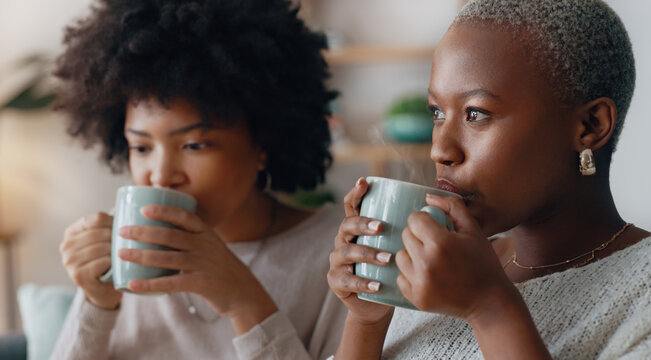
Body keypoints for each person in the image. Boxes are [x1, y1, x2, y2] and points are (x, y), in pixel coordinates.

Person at [327, 0, 650, 359]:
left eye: (476, 113)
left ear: (590, 126)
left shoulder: (641, 291)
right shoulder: (438, 262)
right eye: (436, 112)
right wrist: (367, 321)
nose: (440, 150)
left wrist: (489, 308)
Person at [51, 0, 346, 359]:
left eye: (194, 144)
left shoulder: (338, 255)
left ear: (263, 143)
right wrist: (96, 304)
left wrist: (244, 302)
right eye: (141, 147)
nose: (160, 175)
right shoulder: (122, 254)